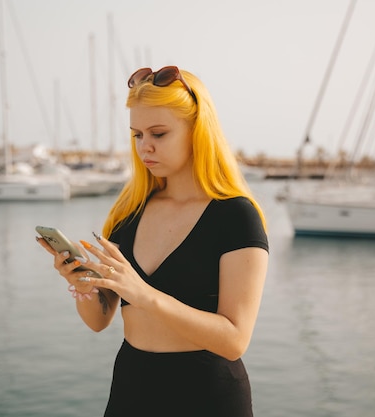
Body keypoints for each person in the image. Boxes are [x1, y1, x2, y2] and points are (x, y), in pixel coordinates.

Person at [37, 66, 269, 417]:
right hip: (132, 389)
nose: (145, 146)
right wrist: (81, 282)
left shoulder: (235, 216)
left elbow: (234, 341)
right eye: (137, 134)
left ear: (197, 131)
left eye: (159, 133)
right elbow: (99, 320)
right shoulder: (128, 212)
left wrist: (145, 295)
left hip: (208, 397)